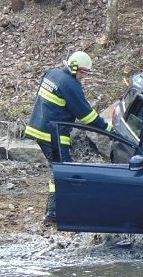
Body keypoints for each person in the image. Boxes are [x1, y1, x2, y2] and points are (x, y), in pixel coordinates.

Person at [25, 51, 113, 224]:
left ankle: (54, 212)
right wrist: (109, 128)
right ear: (73, 67)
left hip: (39, 128)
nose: (83, 76)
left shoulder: (52, 74)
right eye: (82, 72)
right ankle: (54, 213)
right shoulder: (70, 84)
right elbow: (87, 116)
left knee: (58, 169)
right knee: (62, 172)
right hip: (53, 134)